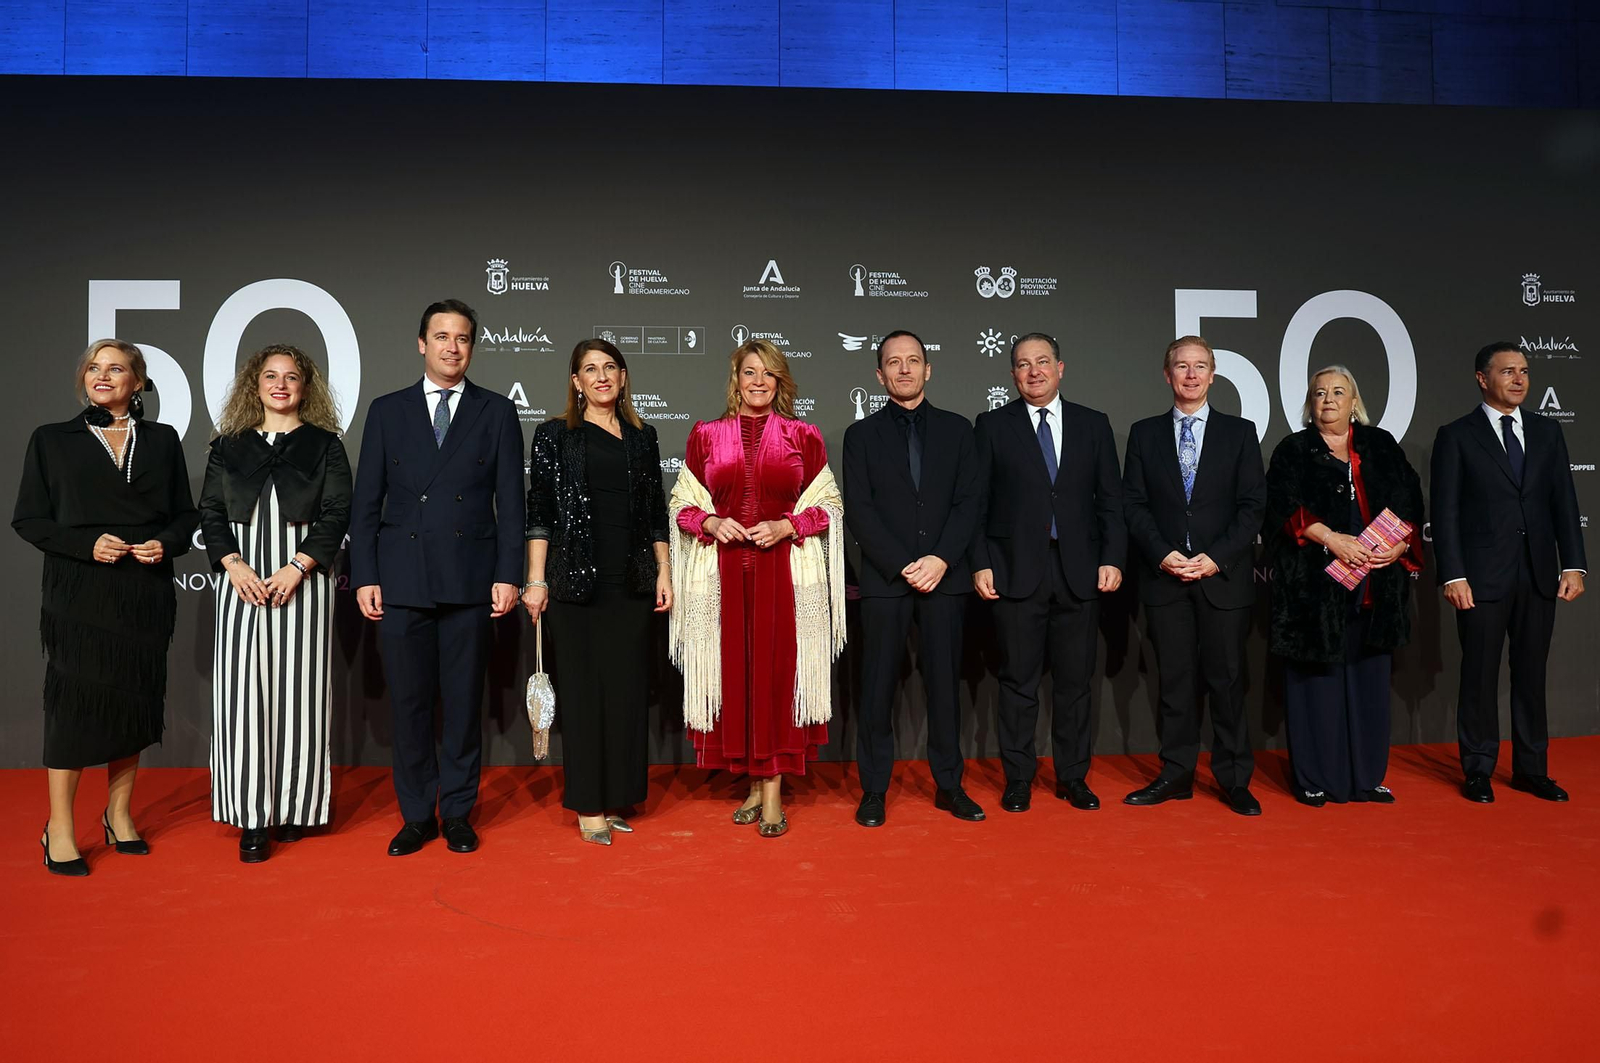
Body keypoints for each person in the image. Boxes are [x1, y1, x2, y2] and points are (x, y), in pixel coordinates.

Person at [13, 339, 197, 875]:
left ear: (137, 382)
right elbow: (29, 520)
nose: (102, 375)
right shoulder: (52, 439)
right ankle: (61, 827)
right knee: (71, 707)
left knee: (133, 700)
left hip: (144, 590)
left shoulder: (161, 440)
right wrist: (83, 545)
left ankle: (119, 815)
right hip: (79, 591)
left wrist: (165, 542)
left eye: (116, 368)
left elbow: (184, 516)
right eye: (94, 367)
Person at [349, 299, 525, 856]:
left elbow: (511, 506)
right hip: (401, 578)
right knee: (410, 704)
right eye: (442, 336)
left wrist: (508, 574)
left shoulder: (495, 412)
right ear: (421, 343)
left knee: (462, 700)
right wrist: (364, 575)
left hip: (470, 579)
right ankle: (415, 814)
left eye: (463, 337)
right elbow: (366, 503)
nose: (453, 346)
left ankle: (456, 812)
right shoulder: (387, 410)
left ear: (473, 347)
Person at [668, 339, 846, 838]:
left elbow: (829, 505)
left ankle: (771, 794)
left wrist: (789, 525)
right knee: (738, 680)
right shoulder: (705, 435)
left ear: (781, 380)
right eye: (750, 372)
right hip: (721, 577)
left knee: (775, 677)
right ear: (736, 380)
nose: (759, 381)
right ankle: (752, 781)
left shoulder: (804, 435)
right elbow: (680, 505)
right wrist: (708, 521)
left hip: (783, 577)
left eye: (769, 373)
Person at [198, 344, 351, 863]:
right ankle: (252, 817)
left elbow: (337, 512)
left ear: (307, 387)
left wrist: (300, 565)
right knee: (243, 701)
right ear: (254, 384)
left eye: (291, 377)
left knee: (301, 698)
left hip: (303, 583)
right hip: (240, 583)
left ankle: (295, 808)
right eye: (270, 375)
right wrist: (232, 566)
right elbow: (212, 512)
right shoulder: (227, 446)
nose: (280, 384)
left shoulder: (326, 445)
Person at [523, 339, 672, 846]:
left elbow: (656, 514)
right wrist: (537, 580)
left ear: (624, 377)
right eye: (590, 369)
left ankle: (615, 797)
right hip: (573, 586)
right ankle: (589, 806)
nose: (602, 376)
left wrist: (663, 573)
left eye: (610, 367)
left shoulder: (642, 437)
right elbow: (539, 511)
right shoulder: (554, 436)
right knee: (585, 696)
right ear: (576, 382)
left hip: (630, 584)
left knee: (626, 694)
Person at [970, 332, 1126, 813]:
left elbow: (1111, 503)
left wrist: (1113, 557)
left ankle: (1073, 777)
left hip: (1080, 571)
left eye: (1042, 362)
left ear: (1061, 367)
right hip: (1016, 571)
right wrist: (980, 562)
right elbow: (976, 505)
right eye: (1022, 364)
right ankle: (1018, 777)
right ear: (1012, 374)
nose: (1033, 371)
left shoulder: (1093, 424)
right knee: (1017, 681)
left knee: (1076, 683)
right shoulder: (992, 426)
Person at [1431, 341, 1585, 803]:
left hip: (1538, 572)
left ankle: (1531, 769)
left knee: (1531, 674)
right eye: (1508, 372)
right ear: (1482, 378)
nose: (1519, 380)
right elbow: (1446, 512)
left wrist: (1574, 564)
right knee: (1478, 674)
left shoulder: (1547, 432)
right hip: (1480, 577)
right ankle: (1477, 768)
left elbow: (1564, 503)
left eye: (1524, 371)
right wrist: (1453, 574)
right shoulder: (1456, 435)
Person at [841, 330, 983, 827]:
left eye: (913, 360)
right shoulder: (860, 436)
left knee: (945, 686)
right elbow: (859, 510)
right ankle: (874, 790)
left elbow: (969, 503)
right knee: (877, 688)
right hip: (886, 580)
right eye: (893, 362)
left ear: (928, 369)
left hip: (946, 579)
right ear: (879, 375)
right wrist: (904, 563)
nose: (904, 369)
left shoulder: (959, 429)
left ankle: (950, 785)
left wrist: (941, 559)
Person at [1121, 336, 1266, 815]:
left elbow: (1251, 509)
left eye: (1199, 366)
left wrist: (1215, 558)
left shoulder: (1240, 433)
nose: (1190, 374)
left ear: (1213, 374)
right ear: (1167, 375)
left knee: (1227, 681)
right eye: (1181, 366)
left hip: (1221, 579)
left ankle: (1234, 779)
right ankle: (1176, 774)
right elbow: (1134, 506)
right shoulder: (1143, 434)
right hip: (1165, 579)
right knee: (1176, 683)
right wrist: (1163, 554)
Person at [1265, 365, 1422, 806]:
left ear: (1355, 402)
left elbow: (1410, 498)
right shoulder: (1293, 449)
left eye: (1338, 392)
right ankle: (1315, 778)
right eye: (1319, 393)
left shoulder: (1381, 445)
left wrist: (1399, 543)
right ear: (1309, 404)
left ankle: (1367, 778)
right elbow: (1280, 504)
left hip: (1376, 585)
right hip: (1313, 590)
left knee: (1369, 682)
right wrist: (1331, 539)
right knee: (1316, 683)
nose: (1328, 400)